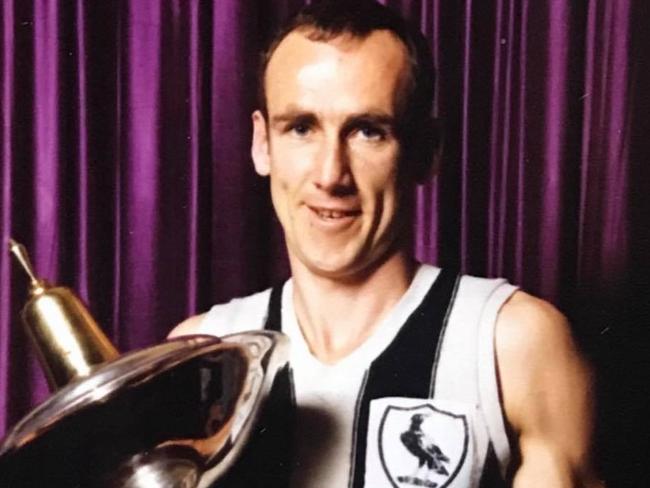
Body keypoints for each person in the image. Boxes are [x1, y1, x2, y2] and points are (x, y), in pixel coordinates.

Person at [170, 1, 603, 486]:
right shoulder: (201, 356)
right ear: (262, 144)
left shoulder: (509, 343)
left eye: (368, 131)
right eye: (301, 128)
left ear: (425, 152)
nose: (331, 174)